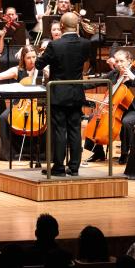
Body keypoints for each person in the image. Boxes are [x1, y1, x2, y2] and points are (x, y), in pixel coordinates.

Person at [37, 12, 92, 176]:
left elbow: (39, 64)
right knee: (75, 129)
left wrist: (42, 54)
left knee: (60, 130)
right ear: (76, 25)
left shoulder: (55, 45)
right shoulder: (85, 44)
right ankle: (74, 168)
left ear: (61, 26)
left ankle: (59, 168)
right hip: (76, 92)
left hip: (59, 94)